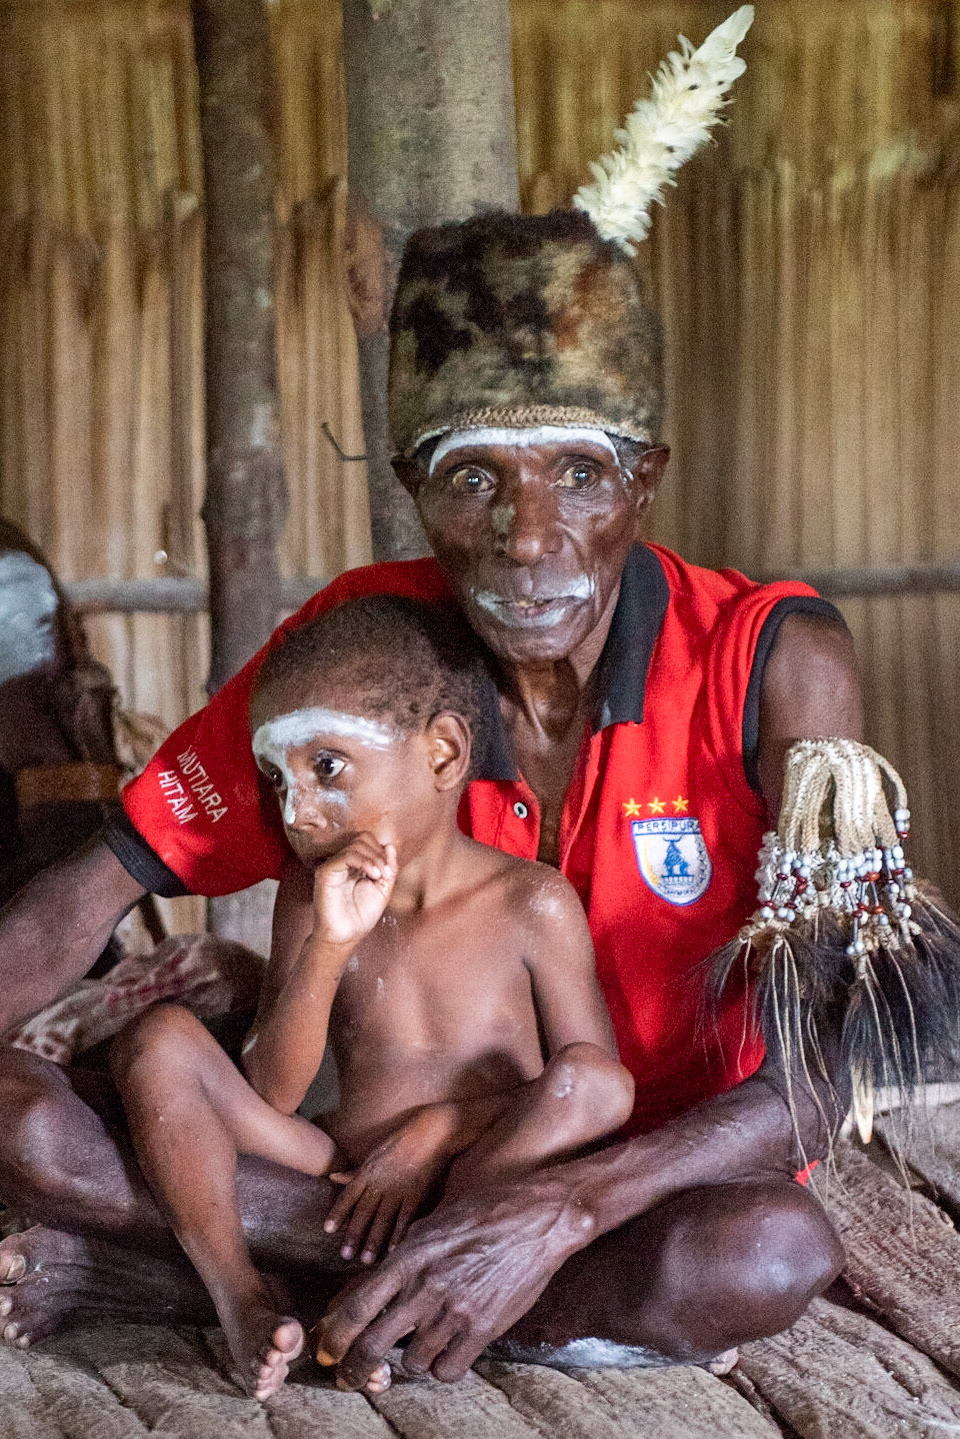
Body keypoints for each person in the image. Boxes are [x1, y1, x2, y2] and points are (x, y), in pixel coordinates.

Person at [0, 6, 938, 1389]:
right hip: (364, 1176)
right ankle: (366, 1284)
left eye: (578, 472)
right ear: (418, 493)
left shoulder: (771, 657)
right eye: (473, 477)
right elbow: (94, 885)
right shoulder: (366, 650)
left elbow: (860, 1037)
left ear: (647, 478)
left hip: (639, 1190)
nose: (528, 533)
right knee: (25, 1121)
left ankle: (182, 1270)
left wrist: (561, 1199)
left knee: (761, 1252)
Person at [110, 596, 634, 1398]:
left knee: (587, 1082)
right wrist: (331, 944)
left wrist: (436, 1132)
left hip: (475, 1179)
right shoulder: (308, 896)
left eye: (327, 768)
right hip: (338, 1179)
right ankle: (240, 1296)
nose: (297, 810)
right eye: (276, 779)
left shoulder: (532, 902)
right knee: (159, 1040)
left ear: (444, 754)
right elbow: (272, 1091)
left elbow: (601, 1092)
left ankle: (395, 1304)